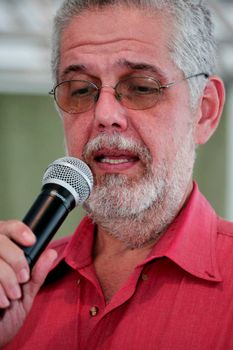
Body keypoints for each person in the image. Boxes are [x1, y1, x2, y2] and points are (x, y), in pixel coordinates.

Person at [0, 0, 230, 348]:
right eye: (80, 90)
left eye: (141, 87)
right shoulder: (15, 287)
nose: (105, 114)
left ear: (204, 112)